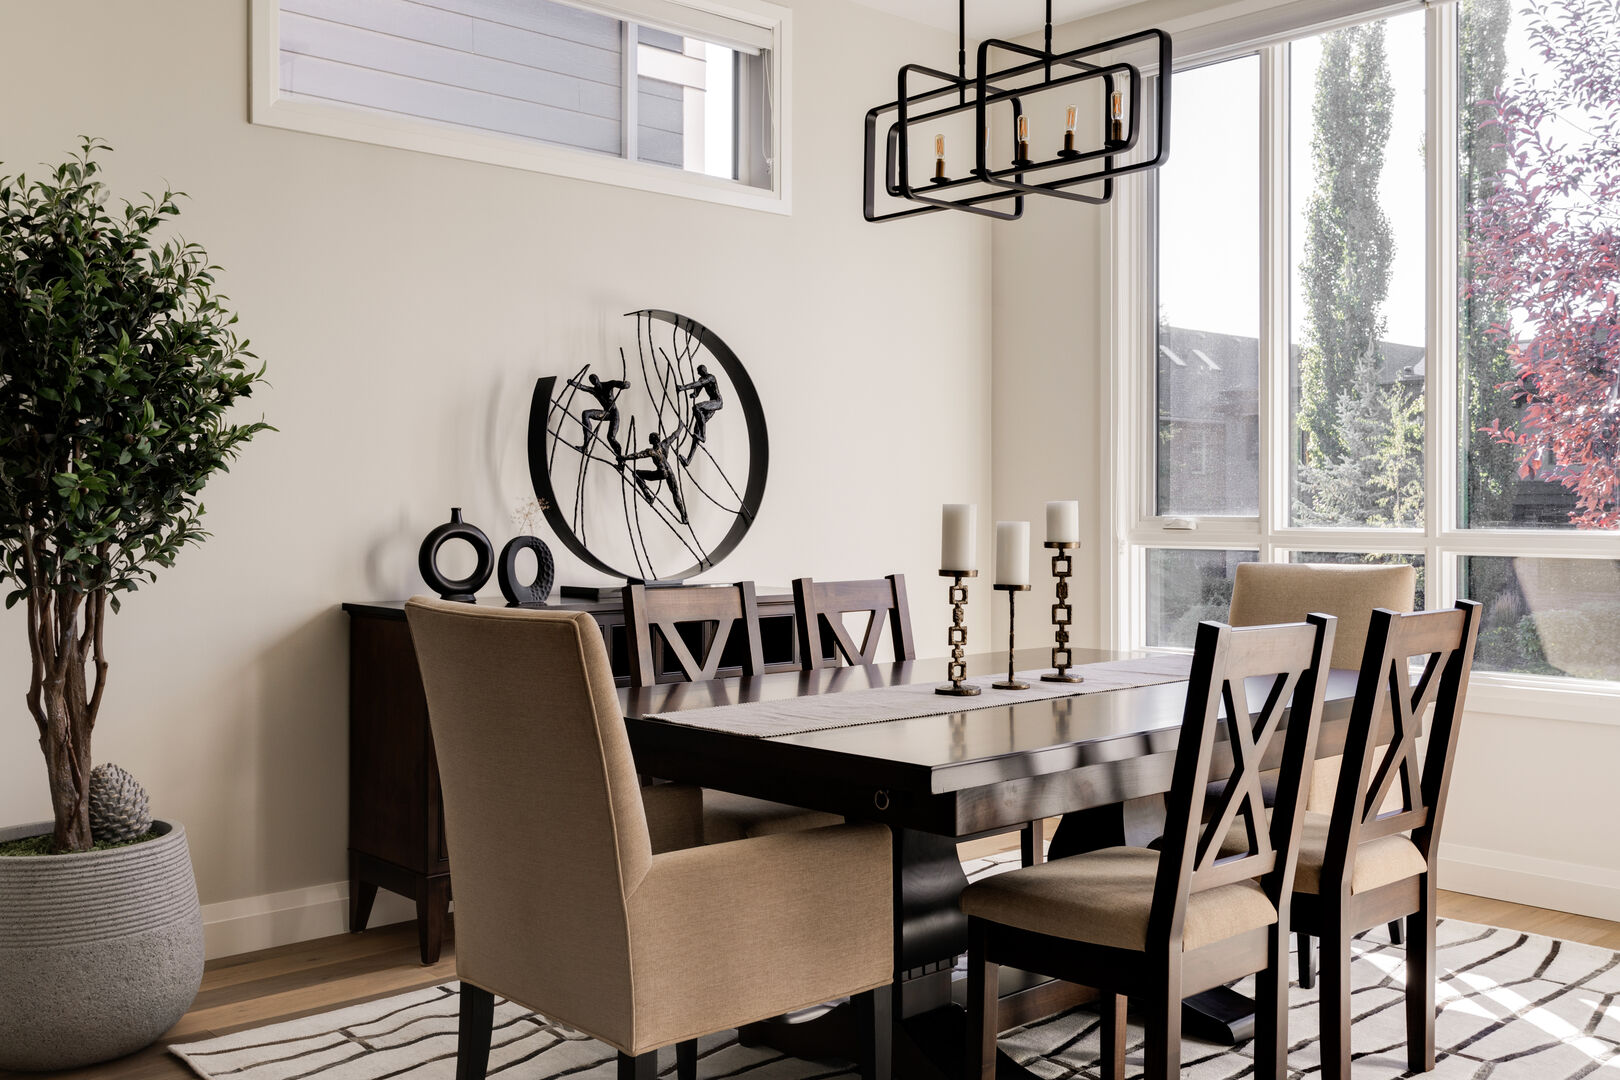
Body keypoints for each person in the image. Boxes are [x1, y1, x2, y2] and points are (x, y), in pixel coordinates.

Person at [568, 372, 630, 457]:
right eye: (591, 380)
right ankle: (585, 446)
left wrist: (625, 384)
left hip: (614, 413)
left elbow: (619, 383)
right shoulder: (594, 390)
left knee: (611, 437)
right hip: (606, 413)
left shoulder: (608, 385)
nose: (593, 381)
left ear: (598, 378)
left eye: (594, 378)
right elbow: (582, 387)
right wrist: (572, 383)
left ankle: (620, 460)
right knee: (586, 414)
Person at [676, 364, 723, 465]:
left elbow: (698, 383)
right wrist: (694, 394)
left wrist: (683, 387)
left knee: (697, 407)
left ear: (704, 370)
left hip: (717, 402)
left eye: (699, 371)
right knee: (697, 429)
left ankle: (703, 436)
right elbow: (697, 391)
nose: (698, 373)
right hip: (711, 404)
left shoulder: (711, 377)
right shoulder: (702, 379)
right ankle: (688, 460)